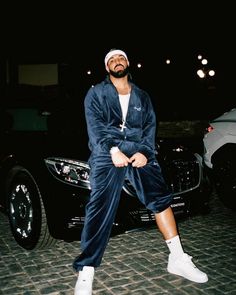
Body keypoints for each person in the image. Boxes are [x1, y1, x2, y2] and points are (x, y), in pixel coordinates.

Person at [73, 48, 208, 295]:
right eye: (111, 59)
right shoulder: (96, 93)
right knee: (100, 205)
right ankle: (86, 269)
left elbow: (149, 129)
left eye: (120, 57)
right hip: (107, 153)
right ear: (107, 67)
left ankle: (177, 259)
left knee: (161, 199)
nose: (117, 61)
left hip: (138, 152)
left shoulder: (142, 96)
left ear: (127, 63)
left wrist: (146, 152)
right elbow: (95, 127)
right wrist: (113, 150)